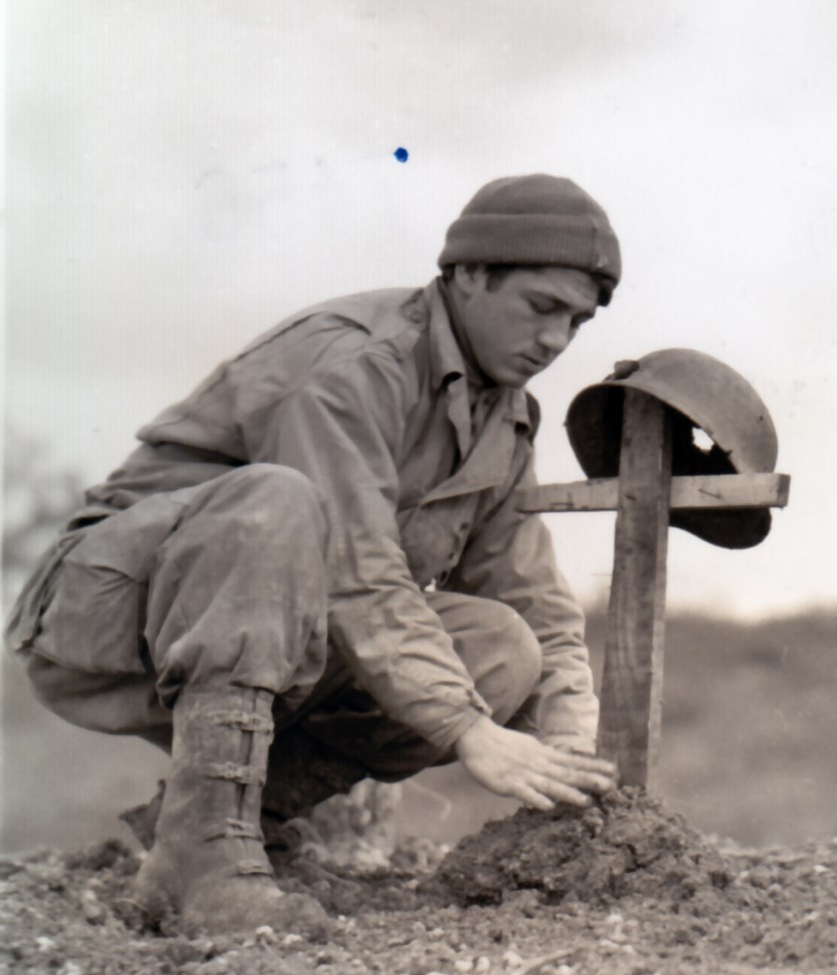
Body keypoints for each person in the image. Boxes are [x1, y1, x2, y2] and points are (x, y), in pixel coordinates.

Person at [7, 173, 623, 936]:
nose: (556, 341)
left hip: (275, 635)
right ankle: (206, 859)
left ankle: (217, 819)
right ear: (467, 275)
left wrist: (566, 748)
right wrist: (468, 732)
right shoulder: (355, 362)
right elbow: (357, 575)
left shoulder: (504, 418)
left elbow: (533, 595)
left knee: (502, 648)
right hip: (109, 617)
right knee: (280, 503)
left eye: (577, 323)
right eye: (542, 308)